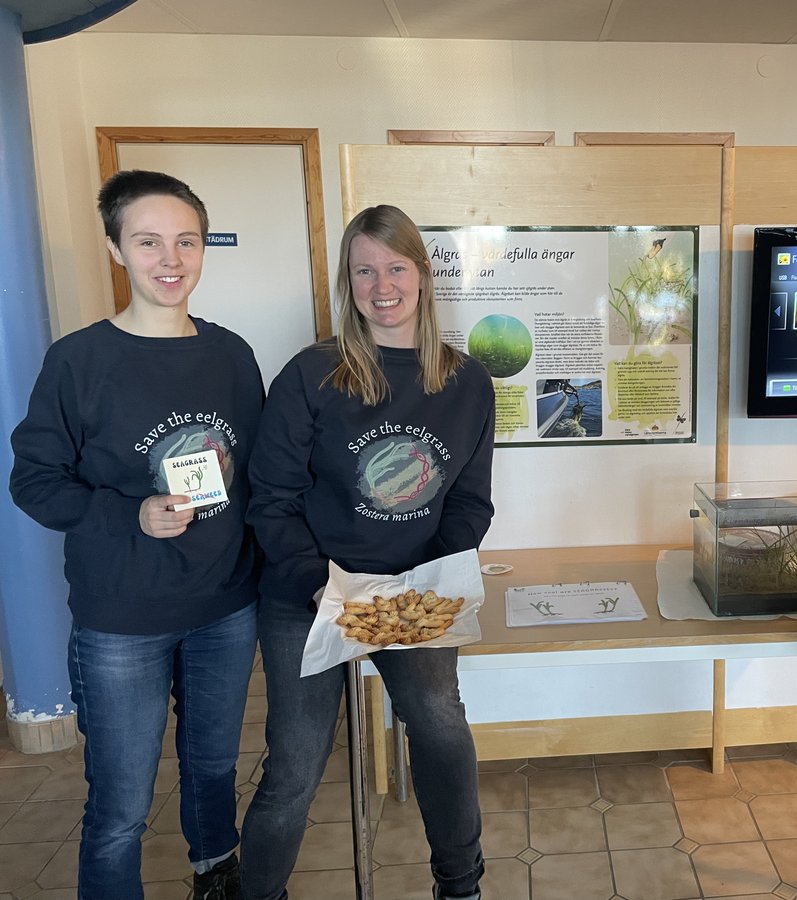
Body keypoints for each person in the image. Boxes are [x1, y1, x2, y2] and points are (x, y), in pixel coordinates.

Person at [9, 170, 263, 899]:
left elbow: (255, 472)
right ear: (117, 248)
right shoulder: (79, 362)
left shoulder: (231, 355)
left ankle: (215, 877)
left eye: (186, 240)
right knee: (120, 805)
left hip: (225, 606)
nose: (170, 259)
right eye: (148, 241)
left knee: (214, 768)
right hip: (122, 621)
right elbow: (34, 482)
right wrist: (133, 514)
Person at [239, 205, 495, 900]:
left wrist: (432, 578)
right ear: (347, 283)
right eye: (363, 271)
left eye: (395, 267)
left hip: (411, 591)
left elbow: (470, 501)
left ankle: (460, 884)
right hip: (311, 595)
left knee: (441, 729)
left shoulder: (467, 382)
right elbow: (271, 497)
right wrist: (318, 585)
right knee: (295, 765)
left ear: (422, 273)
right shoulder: (311, 375)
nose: (381, 286)